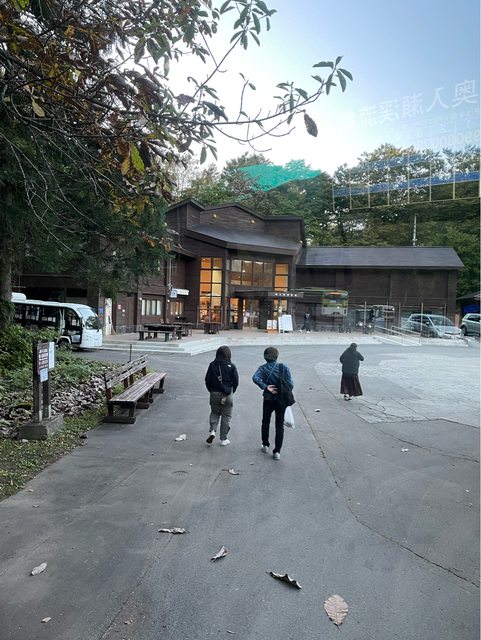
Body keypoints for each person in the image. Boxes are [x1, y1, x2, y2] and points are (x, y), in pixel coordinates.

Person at [252, 347, 294, 460]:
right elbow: (291, 384)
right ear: (277, 356)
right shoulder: (284, 367)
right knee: (279, 425)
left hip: (268, 398)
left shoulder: (263, 368)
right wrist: (283, 390)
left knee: (265, 421)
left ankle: (265, 445)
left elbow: (255, 378)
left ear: (264, 357)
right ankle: (277, 452)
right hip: (281, 400)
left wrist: (266, 387)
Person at [204, 345, 239, 445]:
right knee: (226, 416)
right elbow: (236, 381)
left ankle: (212, 431)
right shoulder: (232, 366)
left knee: (214, 413)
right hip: (227, 394)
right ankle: (223, 439)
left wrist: (211, 391)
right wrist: (231, 392)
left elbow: (207, 380)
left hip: (214, 393)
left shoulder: (212, 365)